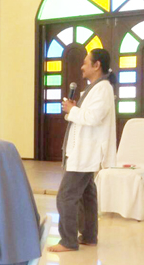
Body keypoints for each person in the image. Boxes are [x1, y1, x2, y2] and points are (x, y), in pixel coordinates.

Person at [48, 48, 117, 253]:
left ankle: (68, 241)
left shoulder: (102, 88)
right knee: (87, 195)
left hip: (87, 151)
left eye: (86, 63)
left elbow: (93, 118)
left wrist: (72, 110)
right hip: (84, 150)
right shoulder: (95, 88)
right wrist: (73, 109)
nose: (82, 67)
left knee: (66, 196)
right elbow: (86, 115)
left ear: (97, 65)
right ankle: (88, 236)